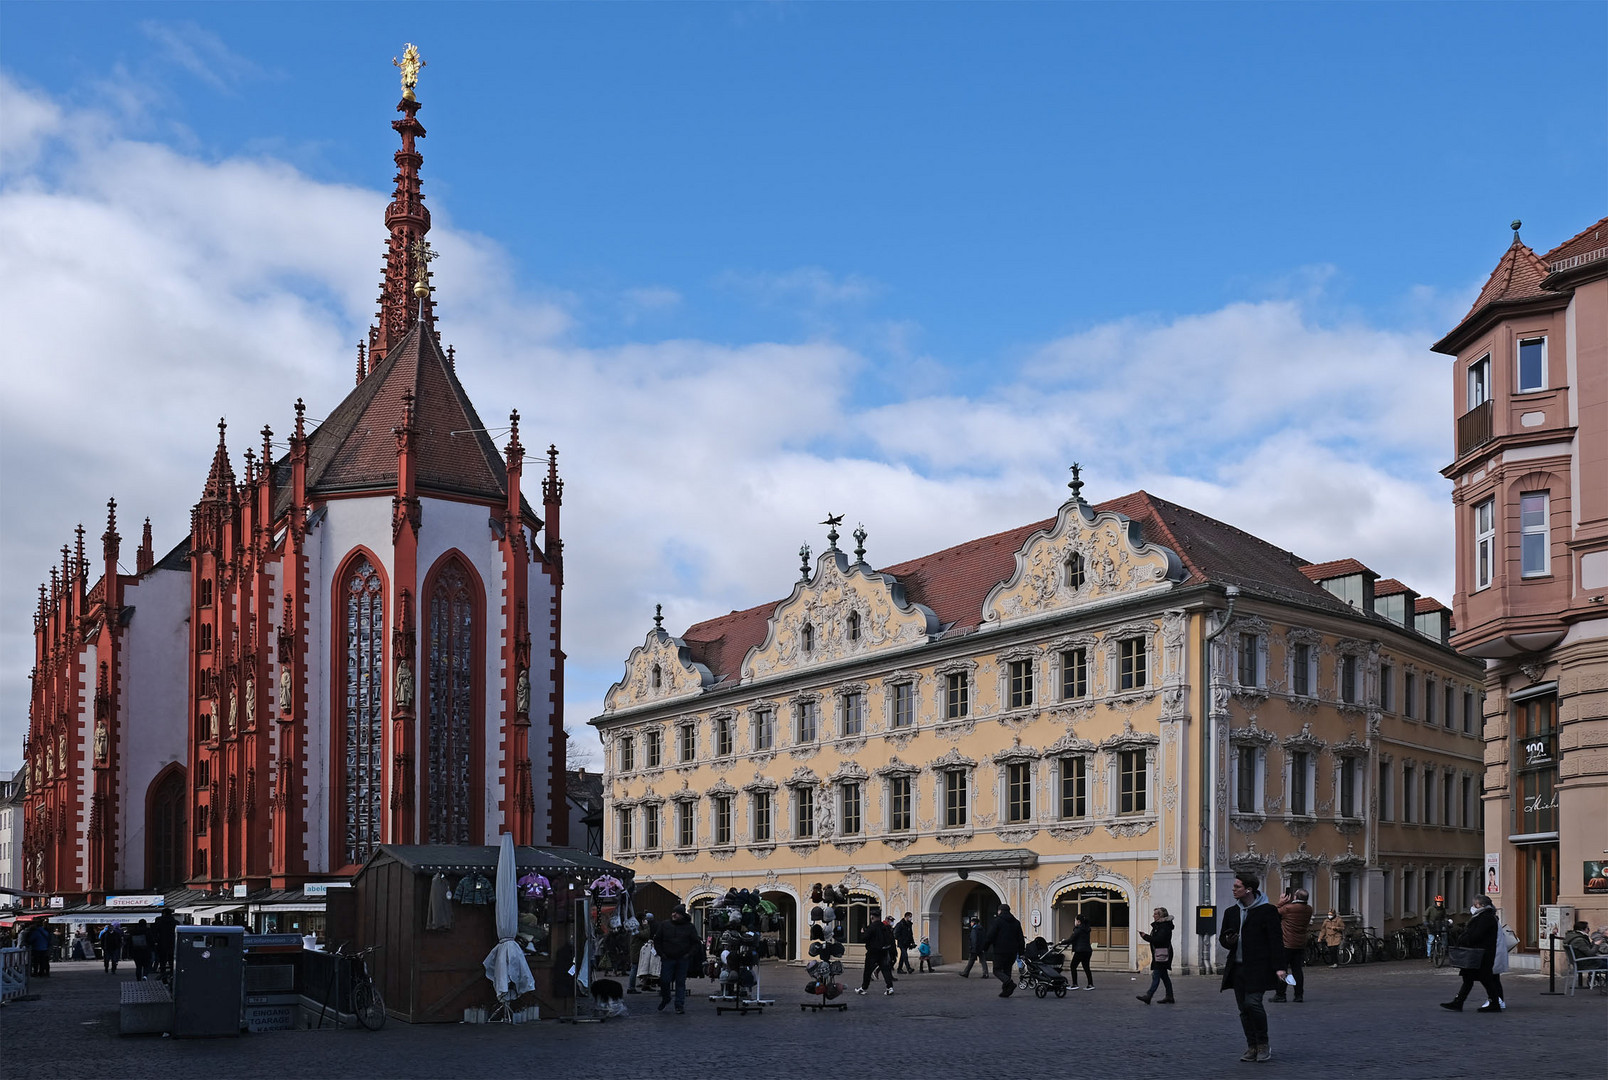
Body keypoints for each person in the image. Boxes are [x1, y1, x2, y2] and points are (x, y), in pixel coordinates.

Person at [1219, 871, 1288, 1064]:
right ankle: (1252, 1046)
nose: (1233, 889)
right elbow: (1223, 940)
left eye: (1237, 887)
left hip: (1258, 967)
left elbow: (1276, 941)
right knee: (1243, 1009)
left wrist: (1280, 967)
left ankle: (1263, 1044)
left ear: (1248, 889)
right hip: (1238, 968)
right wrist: (1228, 940)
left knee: (1253, 1003)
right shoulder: (1231, 912)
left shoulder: (1267, 911)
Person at [1441, 895, 1505, 1013]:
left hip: (1481, 954)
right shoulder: (1482, 916)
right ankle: (1458, 1002)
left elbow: (1476, 935)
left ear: (1481, 905)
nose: (1474, 907)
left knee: (1485, 979)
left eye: (1476, 904)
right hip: (1478, 954)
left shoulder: (1486, 917)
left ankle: (1494, 1003)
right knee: (1469, 978)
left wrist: (1464, 939)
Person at [651, 904, 700, 1014]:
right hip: (667, 958)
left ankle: (679, 1004)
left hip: (682, 958)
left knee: (680, 982)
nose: (674, 914)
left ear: (682, 915)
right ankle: (666, 997)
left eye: (677, 913)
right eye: (673, 912)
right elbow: (657, 940)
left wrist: (689, 955)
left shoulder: (689, 927)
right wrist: (661, 953)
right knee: (664, 980)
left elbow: (695, 943)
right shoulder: (664, 925)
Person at [1273, 888, 1313, 1003]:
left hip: (1286, 943)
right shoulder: (1309, 909)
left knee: (1282, 970)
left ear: (1295, 897)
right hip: (1300, 943)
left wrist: (1281, 902)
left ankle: (1281, 994)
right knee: (1297, 970)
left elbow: (1273, 913)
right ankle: (1298, 995)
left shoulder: (1288, 908)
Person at [980, 903, 1026, 998]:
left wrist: (985, 947)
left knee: (996, 970)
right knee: (1007, 970)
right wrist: (1021, 952)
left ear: (1000, 911)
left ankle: (1009, 983)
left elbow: (990, 936)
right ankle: (1006, 991)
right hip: (1012, 951)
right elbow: (1021, 939)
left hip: (1000, 950)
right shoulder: (1016, 922)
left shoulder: (997, 921)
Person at [1136, 907, 1175, 1004]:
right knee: (1164, 976)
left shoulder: (1164, 926)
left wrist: (1146, 937)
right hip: (1160, 953)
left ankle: (1149, 995)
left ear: (1160, 916)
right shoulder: (1160, 926)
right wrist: (1146, 936)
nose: (1153, 916)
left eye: (1156, 914)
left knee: (1156, 974)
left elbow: (1158, 940)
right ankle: (1169, 996)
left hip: (1162, 954)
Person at [857, 915, 897, 995]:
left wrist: (862, 933)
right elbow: (890, 939)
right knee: (886, 970)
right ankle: (889, 987)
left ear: (872, 918)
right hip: (884, 951)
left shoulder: (871, 927)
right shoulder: (885, 927)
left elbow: (864, 938)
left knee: (868, 970)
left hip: (873, 951)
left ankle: (864, 988)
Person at [627, 913, 655, 993]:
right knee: (634, 968)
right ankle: (631, 987)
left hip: (638, 950)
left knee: (643, 968)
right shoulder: (637, 927)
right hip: (637, 951)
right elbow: (645, 935)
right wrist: (646, 926)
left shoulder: (636, 926)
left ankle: (645, 985)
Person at [1067, 913, 1094, 989]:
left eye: (1075, 920)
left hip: (1080, 951)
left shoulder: (1078, 929)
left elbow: (1071, 939)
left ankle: (1075, 984)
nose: (1074, 922)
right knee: (1086, 967)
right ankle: (1090, 984)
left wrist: (1061, 942)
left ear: (1078, 921)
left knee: (1073, 966)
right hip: (1087, 950)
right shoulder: (1086, 929)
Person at [154, 909, 178, 977]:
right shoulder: (176, 922)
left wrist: (155, 942)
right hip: (173, 944)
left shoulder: (159, 921)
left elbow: (155, 933)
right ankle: (172, 975)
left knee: (162, 962)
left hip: (161, 944)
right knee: (172, 961)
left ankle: (163, 975)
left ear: (164, 913)